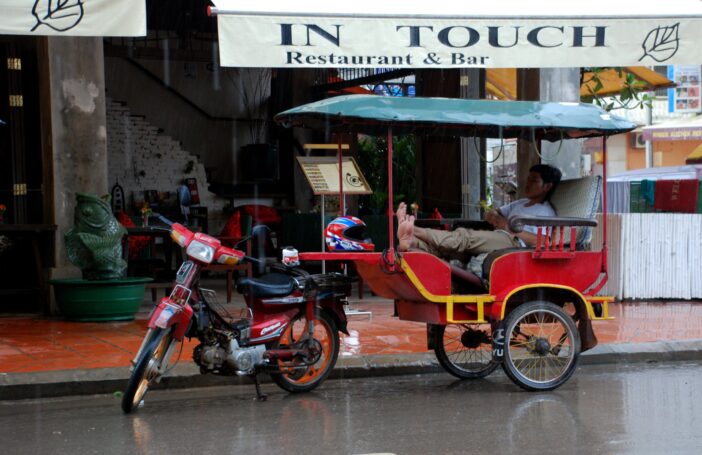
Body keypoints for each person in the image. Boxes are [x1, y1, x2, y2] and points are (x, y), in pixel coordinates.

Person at [397, 164, 562, 262]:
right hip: (498, 236)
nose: (527, 183)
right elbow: (493, 213)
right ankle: (411, 243)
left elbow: (543, 240)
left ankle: (415, 230)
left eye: (534, 180)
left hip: (515, 245)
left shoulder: (546, 211)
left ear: (547, 186)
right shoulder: (520, 203)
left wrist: (508, 227)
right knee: (449, 251)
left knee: (465, 237)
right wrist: (494, 216)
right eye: (528, 178)